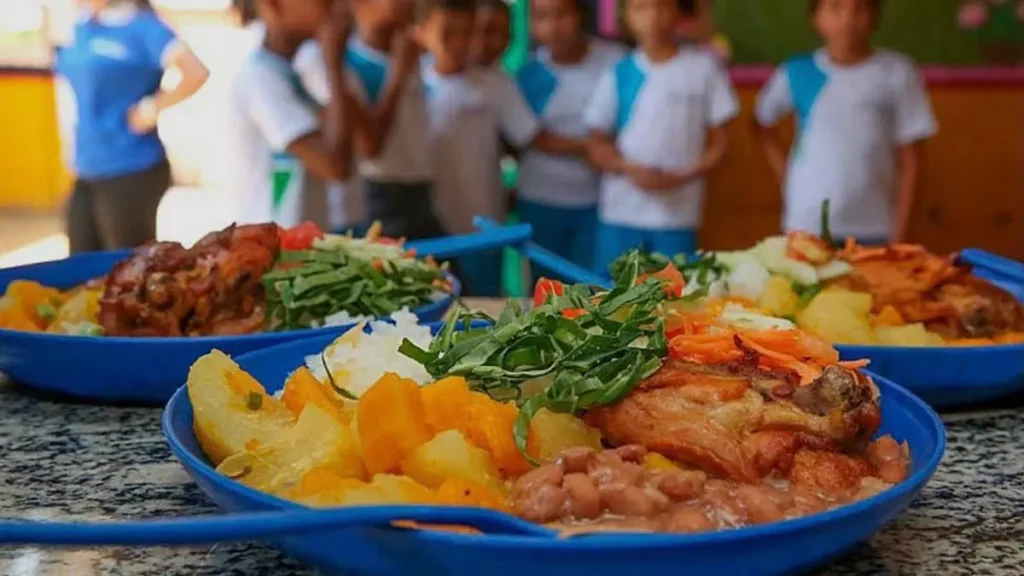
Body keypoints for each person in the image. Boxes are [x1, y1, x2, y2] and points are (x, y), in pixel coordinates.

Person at [754, 0, 937, 245]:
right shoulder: (796, 72)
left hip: (876, 225)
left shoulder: (897, 72)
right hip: (808, 223)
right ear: (816, 17)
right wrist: (786, 175)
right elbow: (761, 123)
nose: (848, 19)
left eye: (859, 8)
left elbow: (912, 160)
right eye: (836, 8)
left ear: (875, 16)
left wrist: (901, 235)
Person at [584, 0, 738, 275]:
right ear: (627, 16)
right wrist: (628, 168)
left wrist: (682, 175)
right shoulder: (618, 72)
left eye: (662, 6)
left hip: (677, 216)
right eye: (641, 7)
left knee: (675, 301)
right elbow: (595, 144)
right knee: (609, 297)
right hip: (621, 213)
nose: (653, 17)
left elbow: (722, 144)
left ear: (678, 11)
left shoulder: (704, 70)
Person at [57, 0, 209, 254]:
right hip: (87, 167)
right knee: (80, 264)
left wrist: (150, 110)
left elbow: (196, 72)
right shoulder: (83, 27)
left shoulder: (146, 28)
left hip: (130, 166)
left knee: (126, 266)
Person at [417, 0, 541, 296]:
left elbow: (527, 138)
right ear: (423, 32)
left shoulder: (496, 83)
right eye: (449, 33)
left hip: (480, 227)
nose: (460, 44)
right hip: (425, 224)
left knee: (482, 309)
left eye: (467, 33)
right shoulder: (412, 81)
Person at [222, 0, 356, 228]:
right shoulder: (259, 78)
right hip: (274, 248)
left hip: (297, 243)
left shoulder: (291, 71)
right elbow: (335, 166)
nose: (333, 5)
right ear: (274, 5)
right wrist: (333, 62)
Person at [514, 0, 624, 277]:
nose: (553, 27)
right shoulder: (529, 74)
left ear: (581, 15)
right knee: (545, 293)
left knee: (594, 291)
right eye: (541, 17)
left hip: (599, 203)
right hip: (540, 202)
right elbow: (533, 138)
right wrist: (590, 146)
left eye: (562, 14)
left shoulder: (615, 62)